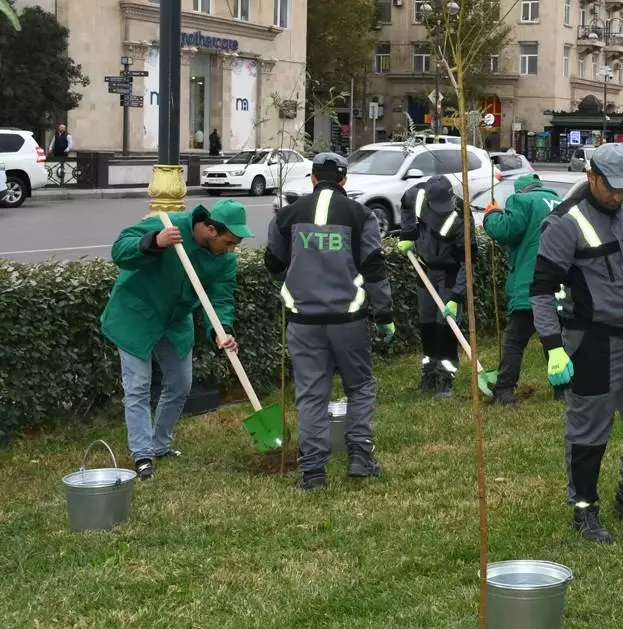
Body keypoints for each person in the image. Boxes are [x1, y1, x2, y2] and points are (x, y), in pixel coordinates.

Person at [530, 143, 623, 544]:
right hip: (590, 341)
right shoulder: (564, 223)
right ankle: (584, 510)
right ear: (591, 177)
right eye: (611, 187)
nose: (618, 195)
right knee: (589, 432)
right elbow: (541, 291)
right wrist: (554, 349)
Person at [265, 153, 395, 489]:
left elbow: (272, 262)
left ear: (311, 178)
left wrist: (295, 280)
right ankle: (360, 457)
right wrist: (385, 314)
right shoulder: (360, 215)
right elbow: (374, 267)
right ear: (344, 180)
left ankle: (312, 472)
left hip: (303, 319)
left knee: (311, 393)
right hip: (348, 319)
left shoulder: (287, 215)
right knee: (360, 386)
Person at [100, 199, 250, 479]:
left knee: (181, 383)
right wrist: (154, 241)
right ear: (211, 230)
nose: (232, 250)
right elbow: (120, 250)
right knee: (138, 386)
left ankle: (160, 445)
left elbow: (220, 297)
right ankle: (142, 455)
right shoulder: (169, 225)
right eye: (230, 242)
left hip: (175, 321)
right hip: (136, 315)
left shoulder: (224, 260)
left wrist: (222, 330)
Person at [482, 173, 564, 405]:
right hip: (558, 285)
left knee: (515, 340)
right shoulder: (559, 202)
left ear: (521, 191)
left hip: (531, 284)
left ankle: (504, 390)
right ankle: (563, 388)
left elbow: (505, 230)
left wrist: (491, 214)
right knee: (555, 338)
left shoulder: (522, 201)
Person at [397, 174, 474, 398]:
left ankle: (445, 378)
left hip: (450, 273)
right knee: (427, 323)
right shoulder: (417, 195)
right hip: (425, 268)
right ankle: (429, 374)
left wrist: (456, 296)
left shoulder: (461, 213)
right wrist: (408, 234)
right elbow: (405, 203)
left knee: (446, 327)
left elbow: (468, 262)